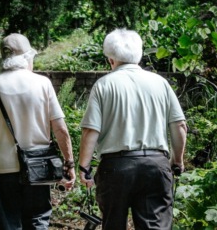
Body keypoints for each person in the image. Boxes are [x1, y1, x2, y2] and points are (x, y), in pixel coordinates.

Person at [78, 28, 187, 230]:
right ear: (139, 55)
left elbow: (90, 130)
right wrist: (176, 161)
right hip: (155, 165)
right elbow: (179, 125)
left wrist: (84, 167)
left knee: (113, 225)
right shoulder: (160, 83)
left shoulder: (103, 85)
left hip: (115, 168)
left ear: (110, 59)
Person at [0, 33, 76, 230]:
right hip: (38, 166)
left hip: (0, 169)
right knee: (37, 221)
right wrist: (69, 163)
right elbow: (60, 128)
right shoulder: (43, 83)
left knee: (7, 224)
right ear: (27, 57)